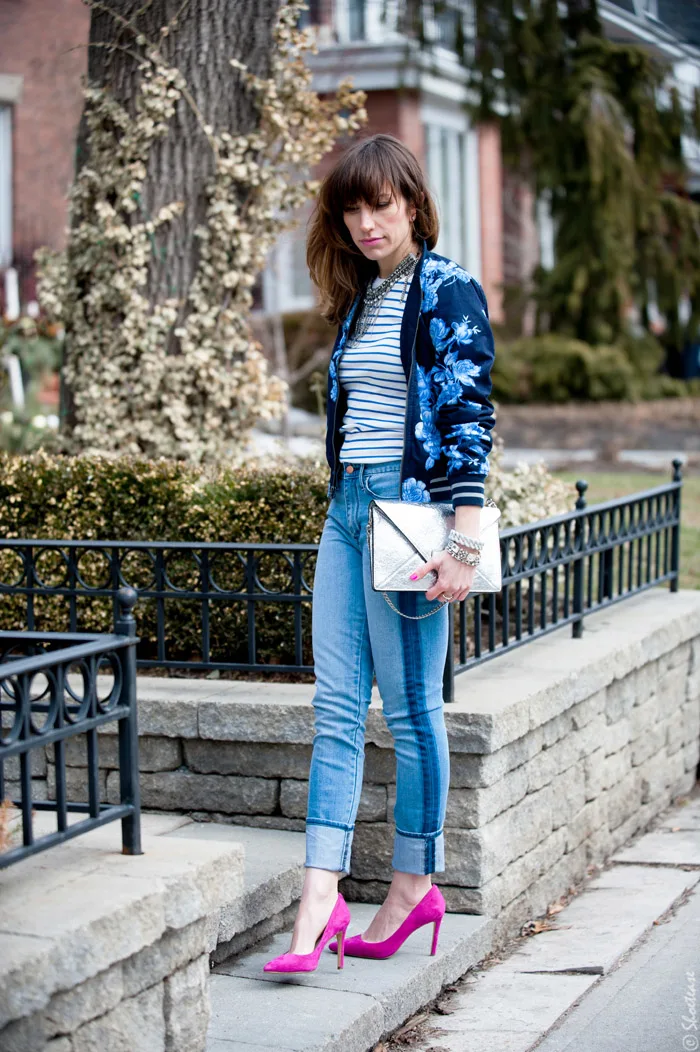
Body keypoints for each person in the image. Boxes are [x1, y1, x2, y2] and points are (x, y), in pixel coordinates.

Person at [263, 133, 496, 974]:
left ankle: (412, 882)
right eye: (352, 208)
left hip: (411, 517)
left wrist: (463, 543)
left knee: (409, 713)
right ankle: (317, 901)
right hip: (348, 512)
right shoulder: (360, 300)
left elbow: (469, 422)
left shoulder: (448, 291)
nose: (367, 223)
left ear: (412, 203)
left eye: (382, 205)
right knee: (334, 707)